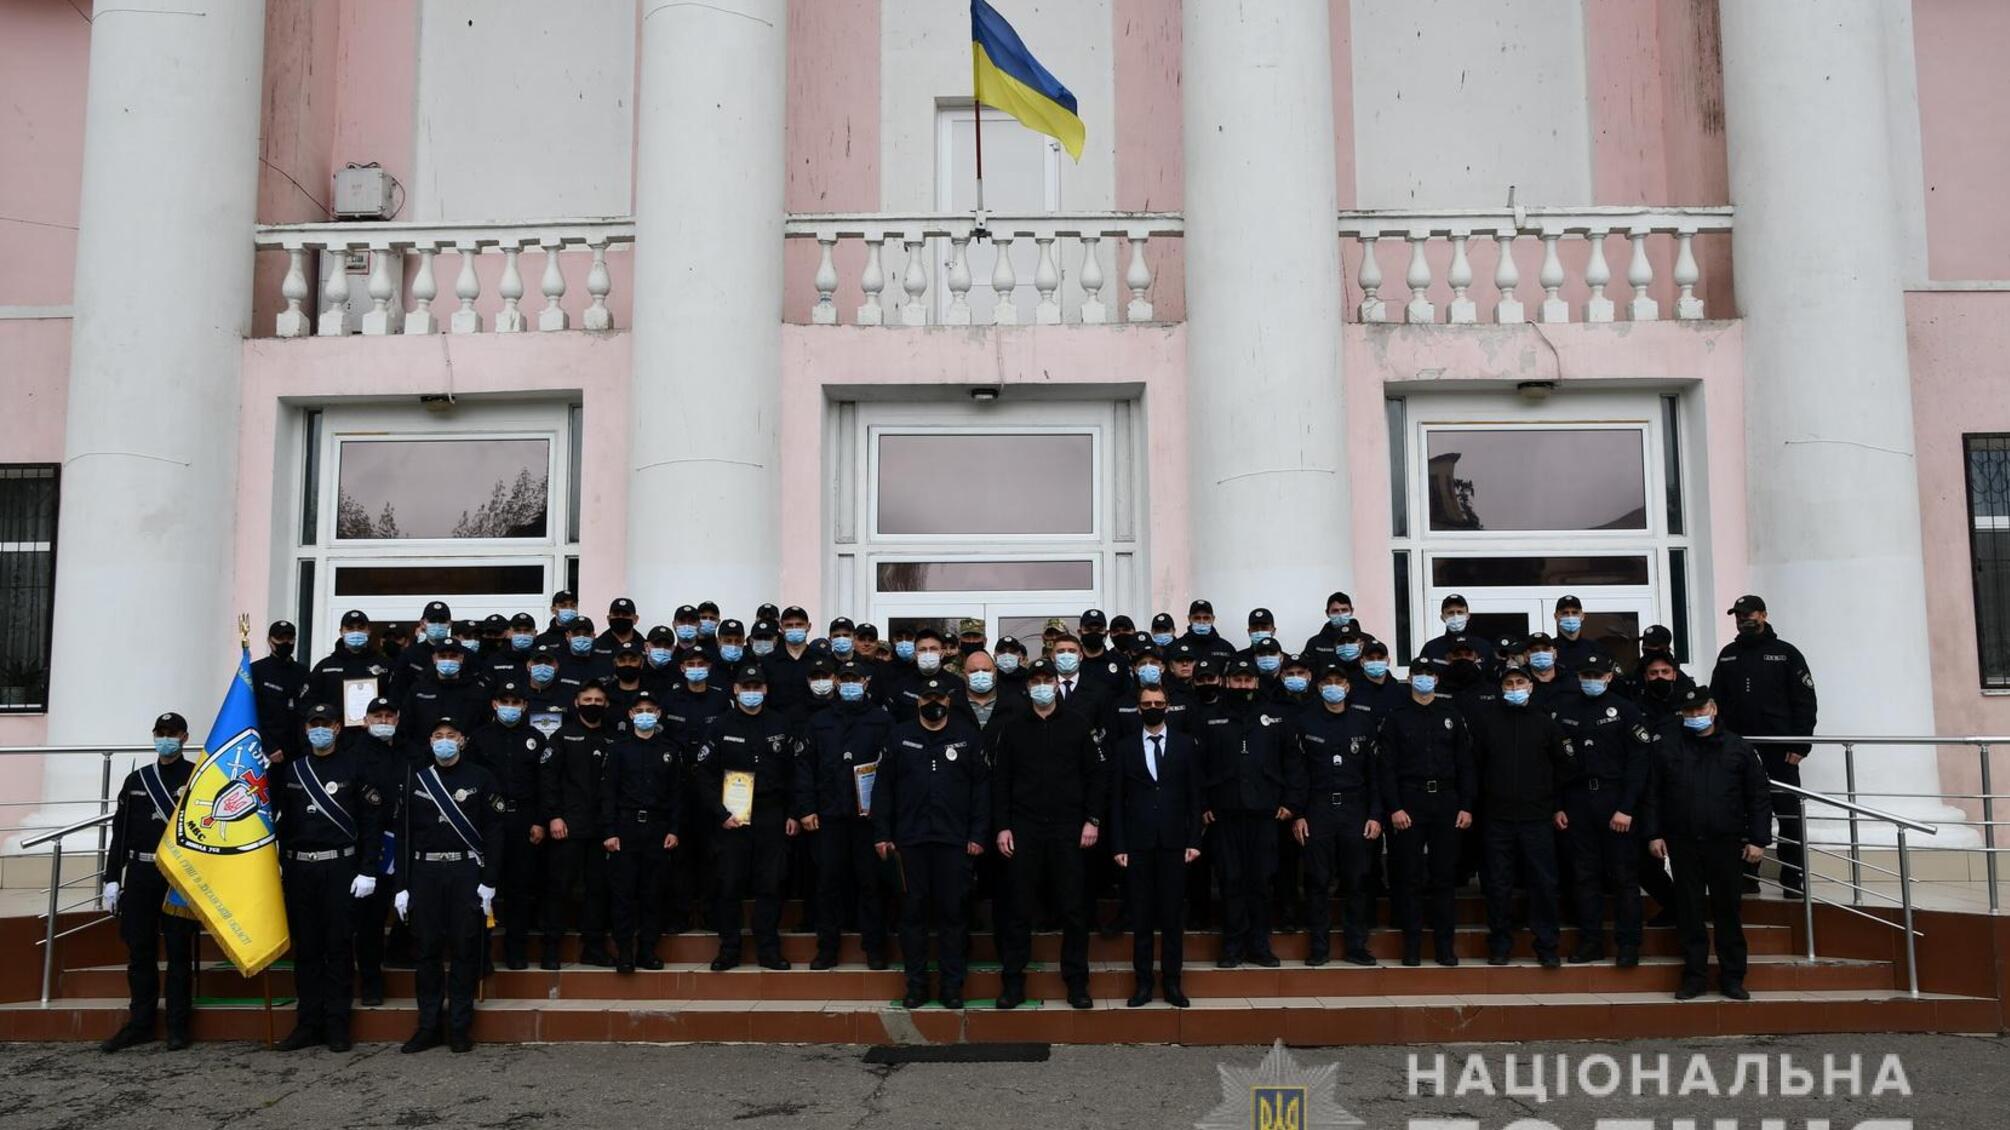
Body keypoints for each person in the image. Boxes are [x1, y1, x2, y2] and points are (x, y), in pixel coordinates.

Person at [1646, 685, 1775, 1001]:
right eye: (1689, 712)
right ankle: (1695, 977)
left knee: (1727, 910)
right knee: (1689, 911)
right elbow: (1653, 796)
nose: (1695, 717)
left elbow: (1758, 796)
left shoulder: (1738, 749)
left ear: (1713, 709)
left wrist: (1758, 839)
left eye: (1700, 711)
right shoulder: (1669, 748)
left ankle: (1732, 978)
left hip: (1725, 842)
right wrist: (1654, 833)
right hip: (1683, 841)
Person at [989, 658, 1104, 1010]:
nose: (1041, 685)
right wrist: (1002, 826)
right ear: (1027, 687)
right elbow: (1000, 782)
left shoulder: (1077, 724)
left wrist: (1093, 820)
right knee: (1018, 908)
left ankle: (1077, 983)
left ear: (1056, 683)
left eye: (1047, 679)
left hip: (1069, 829)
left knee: (1073, 908)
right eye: (1035, 680)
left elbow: (1096, 777)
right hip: (1024, 829)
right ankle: (1013, 982)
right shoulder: (1012, 727)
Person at [273, 703, 384, 1052]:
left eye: (325, 724)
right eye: (313, 724)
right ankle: (307, 1023)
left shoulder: (355, 766)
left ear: (337, 728)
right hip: (298, 868)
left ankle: (337, 1024)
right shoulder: (292, 770)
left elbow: (370, 822)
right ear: (306, 730)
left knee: (337, 947)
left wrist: (368, 868)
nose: (319, 730)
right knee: (306, 949)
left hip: (339, 868)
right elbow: (280, 820)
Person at [872, 677, 988, 1010]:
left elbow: (981, 790)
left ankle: (952, 986)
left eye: (938, 698)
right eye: (926, 698)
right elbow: (883, 790)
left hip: (955, 842)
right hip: (910, 842)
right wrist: (882, 833)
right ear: (918, 701)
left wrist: (978, 835)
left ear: (949, 701)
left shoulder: (967, 736)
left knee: (954, 915)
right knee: (912, 916)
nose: (932, 704)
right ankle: (917, 985)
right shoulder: (899, 735)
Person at [394, 716, 505, 1054]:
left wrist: (489, 881)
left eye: (451, 735)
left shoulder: (480, 778)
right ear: (430, 741)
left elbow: (495, 833)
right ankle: (427, 1026)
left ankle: (459, 1027)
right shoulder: (415, 778)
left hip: (465, 872)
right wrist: (402, 884)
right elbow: (403, 836)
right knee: (426, 951)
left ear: (462, 740)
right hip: (425, 873)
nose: (444, 740)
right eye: (438, 735)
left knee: (464, 948)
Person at [99, 712, 198, 1053]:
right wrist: (112, 878)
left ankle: (177, 1026)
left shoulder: (196, 778)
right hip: (140, 875)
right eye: (161, 732)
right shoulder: (137, 780)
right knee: (139, 951)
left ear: (185, 737)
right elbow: (120, 834)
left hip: (179, 876)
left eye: (173, 733)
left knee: (178, 952)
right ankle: (140, 1023)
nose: (166, 738)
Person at [1708, 594, 1817, 895]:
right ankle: (1746, 876)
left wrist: (1801, 745)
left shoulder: (1786, 654)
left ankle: (1793, 878)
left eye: (1750, 613)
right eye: (1739, 615)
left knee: (1788, 815)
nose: (1744, 619)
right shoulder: (1728, 654)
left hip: (1780, 751)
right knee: (1742, 813)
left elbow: (1805, 701)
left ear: (1764, 615)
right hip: (1739, 751)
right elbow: (1715, 701)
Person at [694, 664, 800, 971]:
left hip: (771, 814)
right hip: (732, 816)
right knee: (729, 884)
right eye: (746, 686)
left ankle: (768, 949)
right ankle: (729, 948)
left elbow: (795, 773)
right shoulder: (720, 726)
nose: (751, 691)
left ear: (765, 690)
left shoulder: (781, 724)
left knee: (770, 884)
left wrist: (793, 812)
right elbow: (703, 775)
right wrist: (720, 813)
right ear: (736, 690)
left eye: (757, 686)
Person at [1468, 667, 1573, 967]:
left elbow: (1565, 767)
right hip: (1497, 818)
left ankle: (1547, 946)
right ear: (1501, 687)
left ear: (1530, 686)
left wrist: (1555, 804)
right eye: (1509, 683)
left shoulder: (1545, 723)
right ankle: (1500, 944)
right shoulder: (1487, 723)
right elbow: (1474, 767)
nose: (1514, 687)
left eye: (1520, 682)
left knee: (1543, 883)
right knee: (1498, 884)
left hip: (1537, 818)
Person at [1554, 655, 1654, 967]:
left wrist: (1626, 807)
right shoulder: (1564, 710)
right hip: (1578, 801)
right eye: (1586, 674)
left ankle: (1628, 945)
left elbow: (1639, 764)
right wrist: (1558, 804)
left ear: (1609, 677)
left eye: (1597, 674)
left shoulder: (1625, 710)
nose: (1591, 679)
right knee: (1585, 877)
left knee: (1624, 877)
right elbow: (1554, 762)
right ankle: (1591, 942)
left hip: (1615, 801)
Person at [795, 660, 895, 970]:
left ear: (866, 682)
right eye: (845, 679)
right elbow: (804, 767)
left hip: (867, 817)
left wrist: (884, 817)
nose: (851, 684)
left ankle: (874, 948)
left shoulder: (881, 720)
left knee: (871, 884)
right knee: (828, 883)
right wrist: (806, 807)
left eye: (857, 679)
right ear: (838, 681)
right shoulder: (819, 720)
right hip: (829, 816)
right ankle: (827, 948)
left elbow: (891, 773)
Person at [1376, 658, 1476, 967]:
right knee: (1410, 877)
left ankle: (1445, 947)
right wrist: (1394, 807)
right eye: (1418, 674)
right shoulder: (1396, 718)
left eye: (1429, 674)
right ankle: (1413, 946)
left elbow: (1466, 766)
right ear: (1410, 678)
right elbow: (1386, 768)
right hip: (1410, 800)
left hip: (1446, 800)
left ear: (1437, 678)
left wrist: (1466, 805)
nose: (1424, 679)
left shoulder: (1452, 715)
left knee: (1444, 877)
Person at [1111, 684, 1203, 1008]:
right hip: (1137, 845)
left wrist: (1195, 840)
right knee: (1142, 917)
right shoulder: (1123, 748)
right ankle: (1143, 983)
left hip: (1175, 844)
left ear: (1168, 706)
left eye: (1159, 702)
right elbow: (1116, 802)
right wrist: (1119, 844)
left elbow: (1195, 795)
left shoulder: (1185, 745)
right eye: (1147, 703)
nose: (1153, 707)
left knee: (1172, 917)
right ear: (1138, 708)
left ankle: (1173, 983)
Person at [1288, 666, 1384, 967]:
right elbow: (1297, 773)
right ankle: (1319, 947)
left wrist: (1375, 814)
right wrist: (1299, 814)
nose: (1333, 686)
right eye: (1326, 682)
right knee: (1317, 880)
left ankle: (1357, 946)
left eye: (1338, 681)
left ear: (1347, 685)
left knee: (1356, 880)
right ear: (1318, 688)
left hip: (1355, 809)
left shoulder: (1364, 722)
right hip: (1318, 808)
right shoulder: (1304, 722)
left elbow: (1375, 776)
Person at [1199, 657, 1292, 968]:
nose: (1242, 686)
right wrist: (1203, 805)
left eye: (1248, 680)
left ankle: (1259, 945)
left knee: (1261, 881)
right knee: (1231, 880)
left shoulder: (1275, 717)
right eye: (1237, 681)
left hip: (1265, 813)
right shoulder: (1211, 718)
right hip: (1224, 813)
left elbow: (1292, 762)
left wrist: (1289, 802)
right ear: (1227, 682)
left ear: (1256, 682)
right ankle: (1232, 946)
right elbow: (1197, 767)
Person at [599, 690, 684, 973]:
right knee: (623, 894)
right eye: (640, 709)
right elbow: (608, 792)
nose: (645, 713)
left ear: (658, 714)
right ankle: (625, 952)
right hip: (625, 827)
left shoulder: (670, 749)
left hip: (658, 829)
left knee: (653, 893)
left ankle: (648, 950)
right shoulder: (618, 748)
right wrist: (609, 830)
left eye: (651, 708)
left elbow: (676, 795)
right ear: (631, 714)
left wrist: (674, 828)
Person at [538, 683, 617, 969]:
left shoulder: (612, 738)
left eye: (598, 699)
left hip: (601, 828)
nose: (593, 704)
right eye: (587, 699)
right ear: (576, 702)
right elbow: (548, 780)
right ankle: (551, 948)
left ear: (606, 704)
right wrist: (554, 816)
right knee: (559, 887)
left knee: (598, 889)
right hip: (567, 826)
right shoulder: (562, 736)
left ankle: (593, 947)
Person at [469, 681, 546, 970]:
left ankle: (516, 951)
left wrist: (539, 821)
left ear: (525, 706)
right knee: (484, 888)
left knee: (519, 889)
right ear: (494, 704)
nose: (510, 708)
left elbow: (544, 784)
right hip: (488, 821)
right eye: (505, 701)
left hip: (524, 820)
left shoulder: (536, 738)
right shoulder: (480, 738)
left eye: (516, 702)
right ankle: (481, 953)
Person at [345, 696, 404, 1002]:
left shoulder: (407, 752)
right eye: (377, 716)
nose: (383, 721)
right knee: (369, 919)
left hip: (404, 841)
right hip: (369, 845)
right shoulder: (353, 755)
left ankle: (398, 954)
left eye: (389, 716)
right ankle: (370, 981)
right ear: (366, 720)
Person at [250, 620, 311, 766]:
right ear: (270, 641)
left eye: (289, 639)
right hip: (266, 753)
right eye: (280, 639)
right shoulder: (256, 671)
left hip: (298, 751)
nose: (285, 643)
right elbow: (249, 712)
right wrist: (269, 746)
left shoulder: (303, 672)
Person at [309, 609, 391, 715]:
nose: (356, 632)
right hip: (336, 729)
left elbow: (394, 700)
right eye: (350, 628)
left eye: (361, 628)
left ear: (369, 631)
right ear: (341, 632)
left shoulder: (385, 665)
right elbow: (310, 702)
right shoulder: (325, 667)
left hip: (374, 729)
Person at [1419, 594, 1496, 671]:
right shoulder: (1431, 648)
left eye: (1460, 612)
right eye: (1450, 613)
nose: (1455, 616)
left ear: (1468, 616)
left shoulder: (1483, 646)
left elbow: (1492, 678)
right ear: (1442, 617)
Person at [1298, 591, 1360, 663]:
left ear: (1352, 611)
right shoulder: (1315, 643)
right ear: (1327, 613)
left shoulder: (1365, 639)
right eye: (1335, 611)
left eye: (1344, 610)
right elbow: (1305, 668)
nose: (1340, 614)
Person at [1550, 594, 1603, 671]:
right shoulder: (1549, 649)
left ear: (1582, 616)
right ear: (1556, 617)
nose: (1570, 616)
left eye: (1574, 613)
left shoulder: (1596, 649)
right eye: (1565, 613)